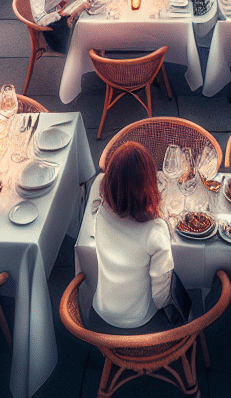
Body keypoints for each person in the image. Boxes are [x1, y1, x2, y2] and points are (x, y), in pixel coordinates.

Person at [92, 142, 175, 332]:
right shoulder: (154, 231)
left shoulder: (100, 212)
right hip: (139, 323)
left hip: (100, 313)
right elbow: (161, 298)